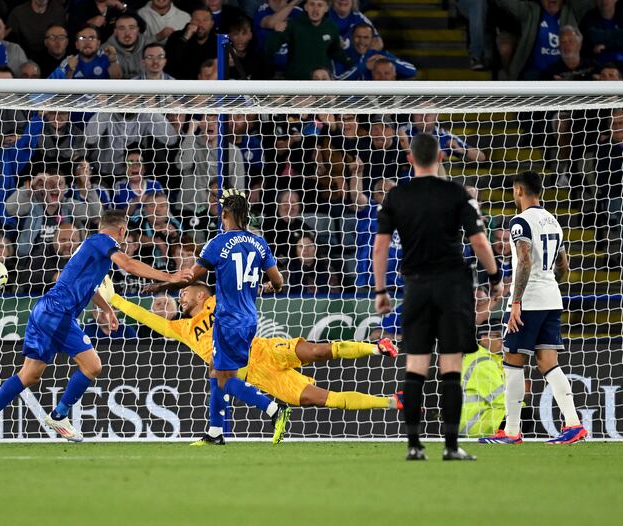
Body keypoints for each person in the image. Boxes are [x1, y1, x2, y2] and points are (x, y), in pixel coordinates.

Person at [0, 209, 191, 446]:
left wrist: (106, 309)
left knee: (29, 375)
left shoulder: (89, 247)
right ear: (122, 230)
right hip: (59, 313)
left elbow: (89, 286)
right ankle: (59, 416)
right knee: (93, 366)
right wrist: (170, 277)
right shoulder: (104, 241)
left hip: (44, 310)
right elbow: (129, 265)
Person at [98, 278, 403, 425]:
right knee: (320, 399)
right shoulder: (184, 329)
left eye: (185, 291)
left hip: (265, 350)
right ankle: (391, 402)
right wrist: (118, 301)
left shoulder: (219, 301)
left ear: (202, 293)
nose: (180, 297)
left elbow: (239, 281)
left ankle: (377, 347)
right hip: (260, 376)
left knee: (316, 351)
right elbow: (152, 319)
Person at [373, 133, 503, 461]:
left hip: (415, 286)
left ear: (410, 159)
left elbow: (381, 246)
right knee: (451, 369)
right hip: (453, 287)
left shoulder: (397, 195)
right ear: (441, 158)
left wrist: (381, 291)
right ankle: (450, 446)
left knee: (415, 368)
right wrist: (496, 277)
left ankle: (414, 446)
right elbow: (480, 242)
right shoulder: (455, 193)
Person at [144, 190, 289, 445]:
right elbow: (278, 280)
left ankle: (274, 409)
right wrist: (269, 287)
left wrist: (160, 286)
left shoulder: (218, 243)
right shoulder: (260, 243)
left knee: (225, 378)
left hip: (227, 320)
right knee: (216, 371)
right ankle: (215, 432)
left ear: (225, 215)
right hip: (249, 320)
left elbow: (190, 277)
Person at [478, 171, 588, 445]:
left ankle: (512, 431)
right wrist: (549, 282)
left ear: (518, 190)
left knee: (513, 362)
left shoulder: (520, 222)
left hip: (529, 302)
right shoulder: (554, 221)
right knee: (548, 364)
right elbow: (563, 265)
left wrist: (516, 302)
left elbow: (524, 261)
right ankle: (574, 425)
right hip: (552, 298)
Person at [265, 0, 352, 80]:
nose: (315, 9)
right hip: (296, 82)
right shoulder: (293, 24)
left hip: (319, 83)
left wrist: (350, 62)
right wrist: (277, 33)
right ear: (306, 7)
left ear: (326, 9)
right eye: (312, 4)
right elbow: (270, 49)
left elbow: (335, 51)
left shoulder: (331, 27)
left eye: (320, 5)